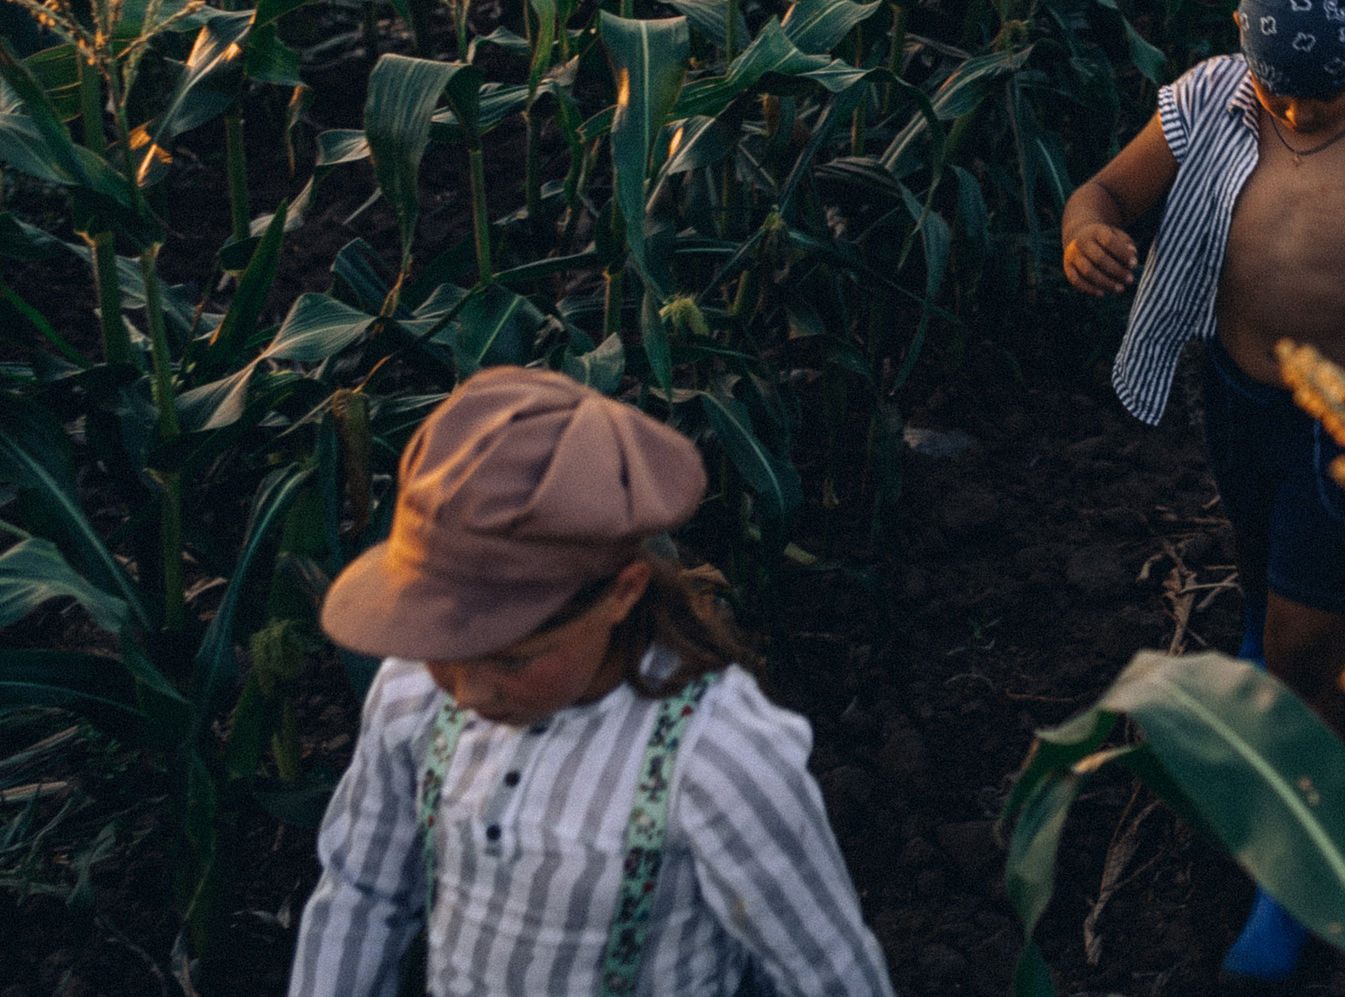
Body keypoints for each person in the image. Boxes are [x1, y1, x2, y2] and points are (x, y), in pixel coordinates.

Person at [1059, 0, 1345, 992]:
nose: (1290, 114)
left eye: (1317, 100)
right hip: (1241, 399)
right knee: (1254, 554)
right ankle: (1261, 625)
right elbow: (1102, 194)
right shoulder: (1212, 98)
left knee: (1305, 661)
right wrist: (1084, 233)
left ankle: (1298, 874)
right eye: (1275, 90)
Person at [288, 368, 895, 997]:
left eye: (514, 660)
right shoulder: (411, 689)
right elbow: (363, 892)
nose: (466, 693)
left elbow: (826, 972)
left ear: (623, 592)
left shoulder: (716, 757)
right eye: (448, 650)